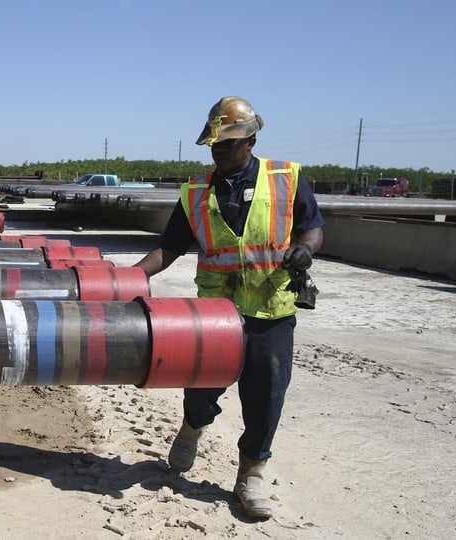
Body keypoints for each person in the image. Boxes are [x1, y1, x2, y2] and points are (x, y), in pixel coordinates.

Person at [132, 96, 325, 519]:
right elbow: (171, 247)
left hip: (271, 309)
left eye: (227, 144)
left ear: (251, 140)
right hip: (216, 313)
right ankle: (192, 427)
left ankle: (252, 474)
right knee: (201, 386)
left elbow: (312, 230)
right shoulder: (197, 191)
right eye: (214, 145)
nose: (218, 152)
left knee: (266, 395)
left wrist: (305, 253)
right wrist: (131, 276)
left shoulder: (287, 179)